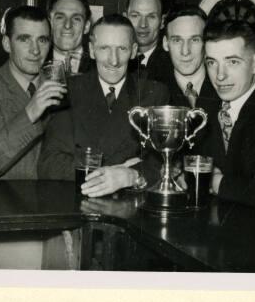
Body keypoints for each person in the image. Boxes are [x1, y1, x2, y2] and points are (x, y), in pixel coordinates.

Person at [38, 14, 169, 196]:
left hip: (131, 204)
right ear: (92, 50)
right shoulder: (70, 91)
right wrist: (118, 172)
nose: (113, 60)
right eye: (104, 48)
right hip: (78, 201)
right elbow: (49, 165)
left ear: (133, 51)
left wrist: (129, 176)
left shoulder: (153, 93)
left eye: (122, 49)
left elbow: (161, 161)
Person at [0, 5, 66, 180]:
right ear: (7, 44)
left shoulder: (60, 87)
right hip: (1, 197)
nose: (35, 50)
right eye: (24, 39)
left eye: (42, 40)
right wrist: (29, 113)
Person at [203, 19, 255, 205]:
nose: (220, 75)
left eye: (232, 62)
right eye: (212, 62)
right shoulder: (206, 104)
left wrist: (218, 183)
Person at [161, 5, 221, 150]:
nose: (185, 51)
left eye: (194, 40)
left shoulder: (225, 84)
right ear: (165, 43)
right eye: (177, 40)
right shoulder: (153, 89)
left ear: (207, 43)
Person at [123, 0, 172, 82]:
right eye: (135, 16)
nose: (143, 24)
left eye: (151, 17)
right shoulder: (113, 58)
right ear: (125, 19)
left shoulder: (171, 65)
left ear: (162, 22)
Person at [45, 0, 93, 75]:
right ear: (49, 24)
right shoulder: (37, 63)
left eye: (76, 19)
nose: (67, 25)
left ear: (86, 26)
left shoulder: (100, 67)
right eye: (60, 17)